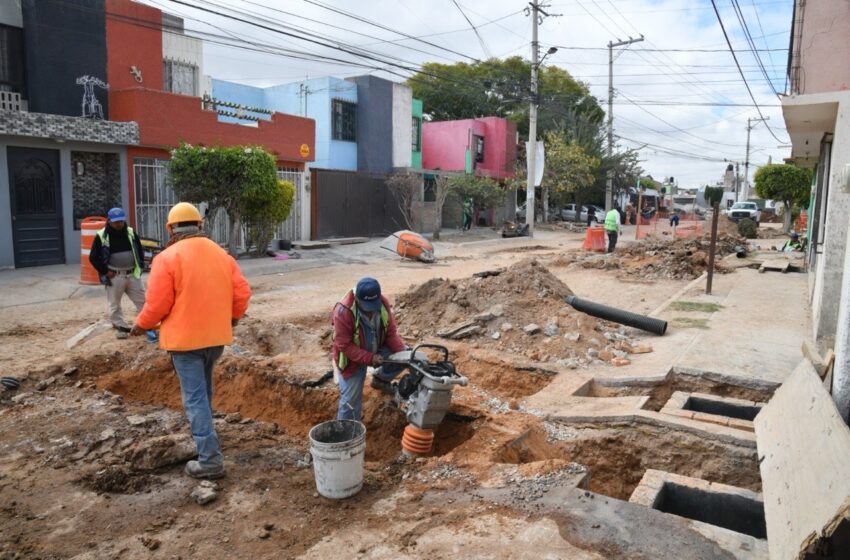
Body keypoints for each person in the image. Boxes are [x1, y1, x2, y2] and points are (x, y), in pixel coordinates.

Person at [131, 202, 251, 480]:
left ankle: (209, 460)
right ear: (199, 225)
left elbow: (158, 304)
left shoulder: (167, 258)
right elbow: (242, 294)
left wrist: (141, 325)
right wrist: (231, 319)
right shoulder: (222, 255)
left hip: (185, 343)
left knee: (195, 399)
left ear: (171, 228)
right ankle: (208, 441)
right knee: (204, 394)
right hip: (215, 339)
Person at [332, 277, 406, 422]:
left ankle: (380, 380)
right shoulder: (343, 312)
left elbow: (390, 334)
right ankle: (347, 437)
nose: (370, 311)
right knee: (350, 402)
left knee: (405, 355)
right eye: (367, 306)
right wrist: (370, 358)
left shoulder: (383, 304)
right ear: (357, 299)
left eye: (373, 305)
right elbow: (344, 346)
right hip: (351, 359)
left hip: (376, 348)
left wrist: (403, 354)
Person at [88, 207, 147, 339]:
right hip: (115, 276)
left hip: (132, 275)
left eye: (121, 221)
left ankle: (147, 327)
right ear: (109, 220)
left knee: (142, 302)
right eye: (115, 222)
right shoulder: (101, 235)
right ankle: (122, 329)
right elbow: (93, 257)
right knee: (114, 305)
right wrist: (105, 271)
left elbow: (139, 249)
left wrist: (141, 265)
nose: (118, 224)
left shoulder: (130, 232)